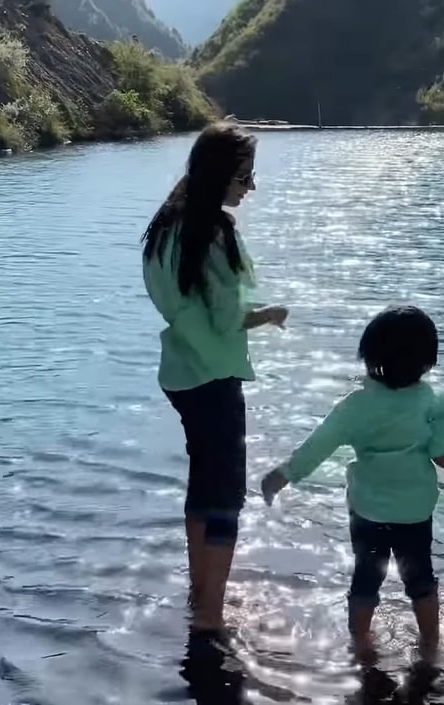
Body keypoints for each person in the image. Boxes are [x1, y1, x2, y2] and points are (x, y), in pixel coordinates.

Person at [142, 122, 289, 634]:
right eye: (245, 177)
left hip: (180, 374)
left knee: (202, 482)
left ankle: (198, 589)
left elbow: (175, 301)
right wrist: (268, 313)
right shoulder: (216, 232)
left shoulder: (164, 226)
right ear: (221, 175)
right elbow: (229, 316)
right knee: (226, 493)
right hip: (215, 376)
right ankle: (212, 612)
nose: (250, 187)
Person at [260, 305, 444, 663]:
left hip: (368, 511)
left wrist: (282, 475)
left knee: (365, 579)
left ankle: (360, 643)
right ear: (427, 360)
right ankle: (430, 646)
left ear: (369, 355)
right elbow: (442, 453)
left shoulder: (355, 406)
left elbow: (317, 447)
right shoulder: (432, 403)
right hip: (414, 513)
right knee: (420, 579)